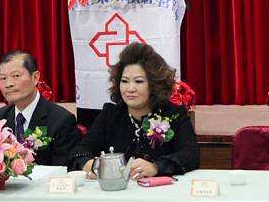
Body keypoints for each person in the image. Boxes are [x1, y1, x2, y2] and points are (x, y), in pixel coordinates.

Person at [71, 42, 199, 177]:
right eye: (124, 81)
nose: (130, 89)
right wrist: (88, 164)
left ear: (154, 84)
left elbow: (191, 155)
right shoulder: (110, 114)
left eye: (138, 81)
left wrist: (157, 167)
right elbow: (80, 151)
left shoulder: (174, 114)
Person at [0, 50, 80, 166]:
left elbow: (63, 168)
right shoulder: (0, 116)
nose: (9, 84)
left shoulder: (61, 120)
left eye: (16, 76)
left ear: (35, 77)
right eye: (3, 78)